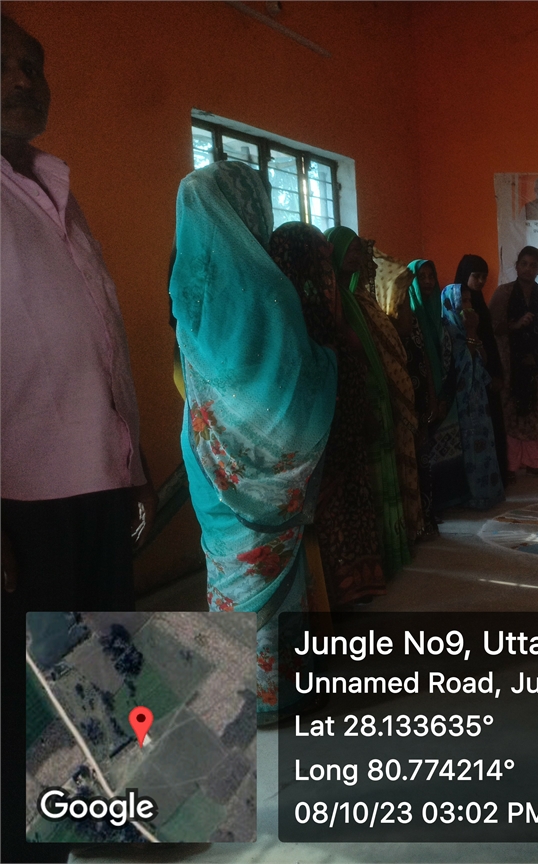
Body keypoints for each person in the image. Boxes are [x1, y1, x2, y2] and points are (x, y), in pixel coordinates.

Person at [1, 17, 157, 862]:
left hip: (98, 478)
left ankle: (107, 821)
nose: (25, 78)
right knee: (31, 699)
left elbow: (103, 336)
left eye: (34, 63)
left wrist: (134, 462)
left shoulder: (58, 188)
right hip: (22, 498)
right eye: (3, 63)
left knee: (107, 667)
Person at [170, 162, 336, 724]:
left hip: (208, 454)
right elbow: (294, 391)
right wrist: (328, 364)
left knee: (228, 570)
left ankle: (241, 692)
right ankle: (278, 697)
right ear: (249, 211)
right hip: (266, 468)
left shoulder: (187, 286)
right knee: (269, 577)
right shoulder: (268, 289)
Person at [268, 223, 387, 609]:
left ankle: (357, 584)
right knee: (328, 511)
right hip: (317, 434)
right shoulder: (289, 313)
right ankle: (333, 595)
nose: (325, 271)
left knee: (351, 501)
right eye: (318, 261)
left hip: (344, 426)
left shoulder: (324, 306)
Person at [324, 227, 410, 581]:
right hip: (353, 400)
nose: (356, 256)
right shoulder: (333, 301)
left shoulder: (360, 298)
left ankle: (388, 551)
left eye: (360, 250)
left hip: (375, 393)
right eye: (350, 249)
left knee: (383, 473)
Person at [489, 246, 538, 478]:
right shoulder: (503, 294)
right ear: (516, 266)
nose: (528, 268)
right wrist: (515, 325)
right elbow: (491, 328)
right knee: (511, 414)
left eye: (533, 265)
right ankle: (511, 466)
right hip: (510, 366)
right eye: (524, 263)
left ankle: (536, 465)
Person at [368, 250, 426, 547]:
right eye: (402, 303)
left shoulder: (396, 330)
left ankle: (411, 527)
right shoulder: (372, 316)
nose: (409, 313)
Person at [441, 282, 505, 509]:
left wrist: (474, 333)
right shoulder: (448, 328)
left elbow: (482, 359)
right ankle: (472, 495)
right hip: (461, 399)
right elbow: (460, 366)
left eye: (469, 300)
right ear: (452, 303)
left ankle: (487, 492)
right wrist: (470, 332)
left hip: (478, 396)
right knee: (469, 445)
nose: (467, 305)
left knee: (483, 442)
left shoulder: (468, 327)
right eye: (463, 300)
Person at [409, 258, 465, 513]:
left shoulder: (441, 317)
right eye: (421, 277)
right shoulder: (409, 317)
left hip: (444, 392)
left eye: (431, 276)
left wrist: (444, 395)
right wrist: (432, 397)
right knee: (425, 449)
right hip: (421, 394)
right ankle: (427, 507)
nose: (428, 281)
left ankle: (446, 499)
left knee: (446, 446)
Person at [453, 254, 512, 485]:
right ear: (464, 275)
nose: (480, 281)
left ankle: (496, 475)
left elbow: (489, 340)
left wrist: (496, 372)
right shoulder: (456, 303)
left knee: (492, 423)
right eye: (476, 276)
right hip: (468, 374)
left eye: (484, 277)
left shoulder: (478, 301)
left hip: (486, 369)